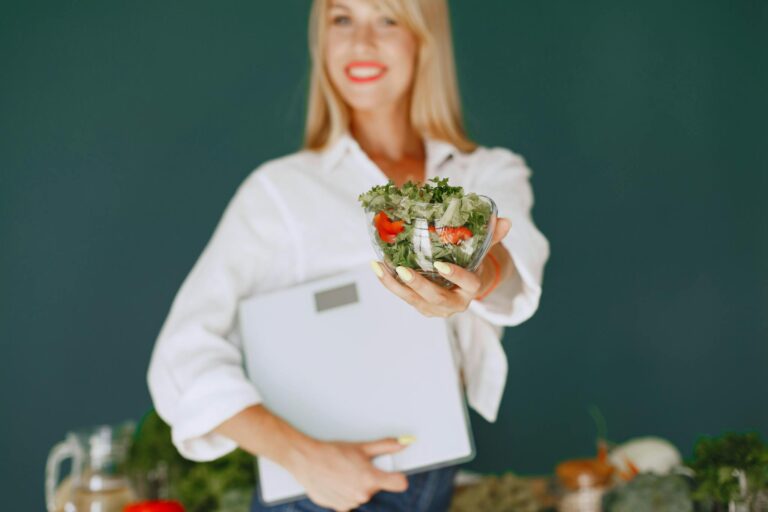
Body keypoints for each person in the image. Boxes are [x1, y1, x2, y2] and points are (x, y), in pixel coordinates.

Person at [146, 0, 550, 510]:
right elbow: (180, 358)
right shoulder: (281, 192)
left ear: (425, 38)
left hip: (432, 485)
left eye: (387, 19)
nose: (361, 42)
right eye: (342, 19)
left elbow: (513, 263)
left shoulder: (486, 175)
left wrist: (480, 274)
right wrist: (302, 456)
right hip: (315, 495)